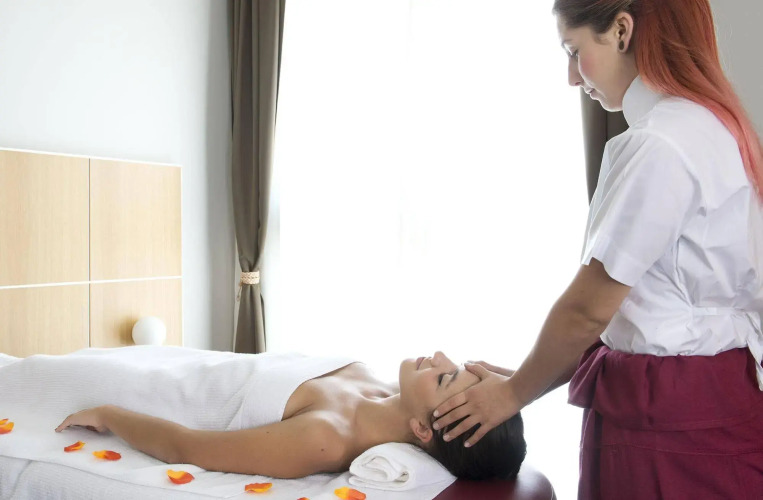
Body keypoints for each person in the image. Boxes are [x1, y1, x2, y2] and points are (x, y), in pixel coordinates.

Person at [432, 0, 763, 498]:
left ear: (622, 31)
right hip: (714, 401)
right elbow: (656, 309)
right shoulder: (716, 130)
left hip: (665, 423)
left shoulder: (661, 144)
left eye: (574, 50)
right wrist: (527, 377)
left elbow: (589, 310)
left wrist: (512, 394)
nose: (572, 77)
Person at [53, 350, 526, 481]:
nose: (439, 356)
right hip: (170, 361)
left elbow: (187, 448)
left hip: (141, 390)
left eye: (445, 378)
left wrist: (110, 414)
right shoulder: (383, 389)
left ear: (421, 429)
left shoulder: (325, 438)